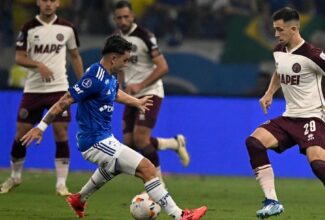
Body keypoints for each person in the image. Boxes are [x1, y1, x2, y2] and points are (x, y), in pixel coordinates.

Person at [20, 35, 207, 220]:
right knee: (148, 169)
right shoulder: (94, 76)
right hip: (93, 141)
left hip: (105, 137)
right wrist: (41, 127)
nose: (126, 64)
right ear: (113, 58)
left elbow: (115, 93)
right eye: (125, 60)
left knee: (113, 168)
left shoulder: (111, 77)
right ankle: (180, 215)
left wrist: (137, 102)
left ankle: (79, 199)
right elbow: (65, 100)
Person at [245, 7, 325, 220]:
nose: (276, 34)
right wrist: (269, 92)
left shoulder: (312, 54)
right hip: (289, 117)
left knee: (318, 165)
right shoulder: (279, 50)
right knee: (254, 142)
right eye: (275, 30)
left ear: (294, 28)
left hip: (313, 117)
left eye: (279, 30)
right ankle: (272, 202)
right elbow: (280, 71)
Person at [0, 0, 84, 196]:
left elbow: (75, 56)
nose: (48, 4)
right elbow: (19, 57)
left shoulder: (68, 28)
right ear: (38, 2)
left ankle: (61, 184)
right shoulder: (28, 28)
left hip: (59, 88)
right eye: (44, 0)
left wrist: (82, 86)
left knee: (61, 133)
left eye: (52, 0)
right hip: (34, 89)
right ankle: (15, 176)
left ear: (58, 3)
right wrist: (38, 65)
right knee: (21, 133)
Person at [112, 1, 190, 187]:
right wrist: (123, 85)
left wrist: (140, 85)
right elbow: (120, 66)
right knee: (130, 143)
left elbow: (163, 67)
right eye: (119, 17)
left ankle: (159, 187)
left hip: (150, 92)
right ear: (115, 19)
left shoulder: (145, 36)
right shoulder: (116, 38)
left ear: (133, 16)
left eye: (126, 16)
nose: (123, 20)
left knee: (141, 139)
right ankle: (174, 143)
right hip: (132, 96)